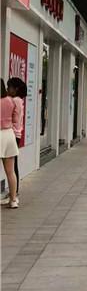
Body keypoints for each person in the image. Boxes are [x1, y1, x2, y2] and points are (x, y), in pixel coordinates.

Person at [1, 79, 21, 208]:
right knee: (10, 171)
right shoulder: (10, 101)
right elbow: (15, 119)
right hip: (9, 135)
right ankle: (13, 200)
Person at [6, 77, 26, 196]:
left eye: (9, 87)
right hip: (16, 135)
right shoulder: (19, 100)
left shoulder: (14, 101)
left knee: (12, 165)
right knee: (13, 164)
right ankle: (14, 191)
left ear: (16, 89)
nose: (7, 89)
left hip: (12, 135)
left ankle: (14, 192)